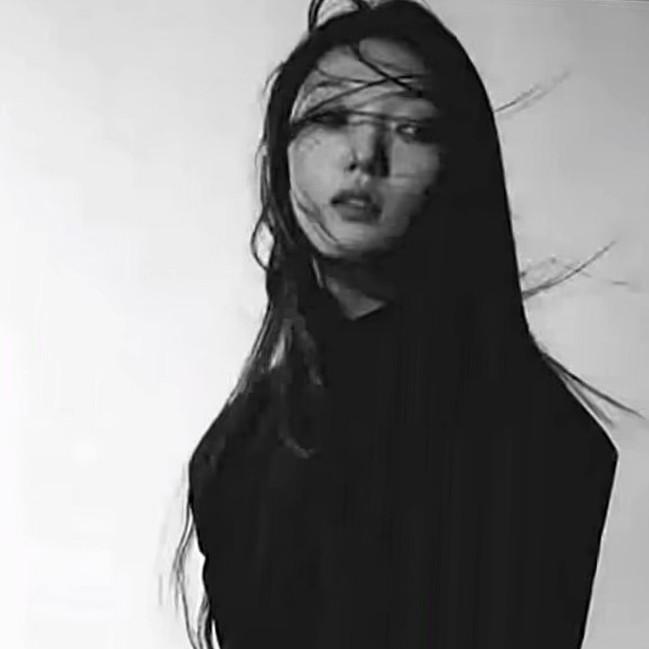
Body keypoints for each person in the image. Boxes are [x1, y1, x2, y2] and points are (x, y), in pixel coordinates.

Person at [172, 1, 638, 647]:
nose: (365, 155)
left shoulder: (531, 437)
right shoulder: (240, 448)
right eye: (330, 119)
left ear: (459, 171)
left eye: (413, 128)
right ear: (280, 156)